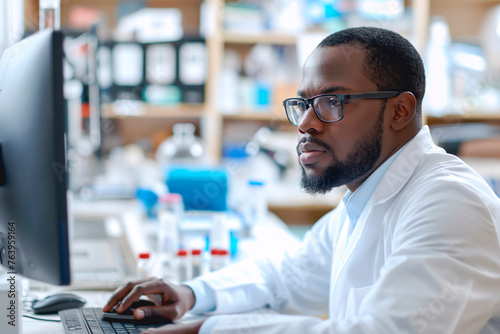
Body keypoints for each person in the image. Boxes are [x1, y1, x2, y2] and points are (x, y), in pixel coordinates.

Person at [103, 27, 500, 333]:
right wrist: (191, 295)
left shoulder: (449, 203)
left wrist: (211, 329)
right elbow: (286, 277)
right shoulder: (366, 197)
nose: (306, 124)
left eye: (333, 101)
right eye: (304, 104)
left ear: (399, 110)